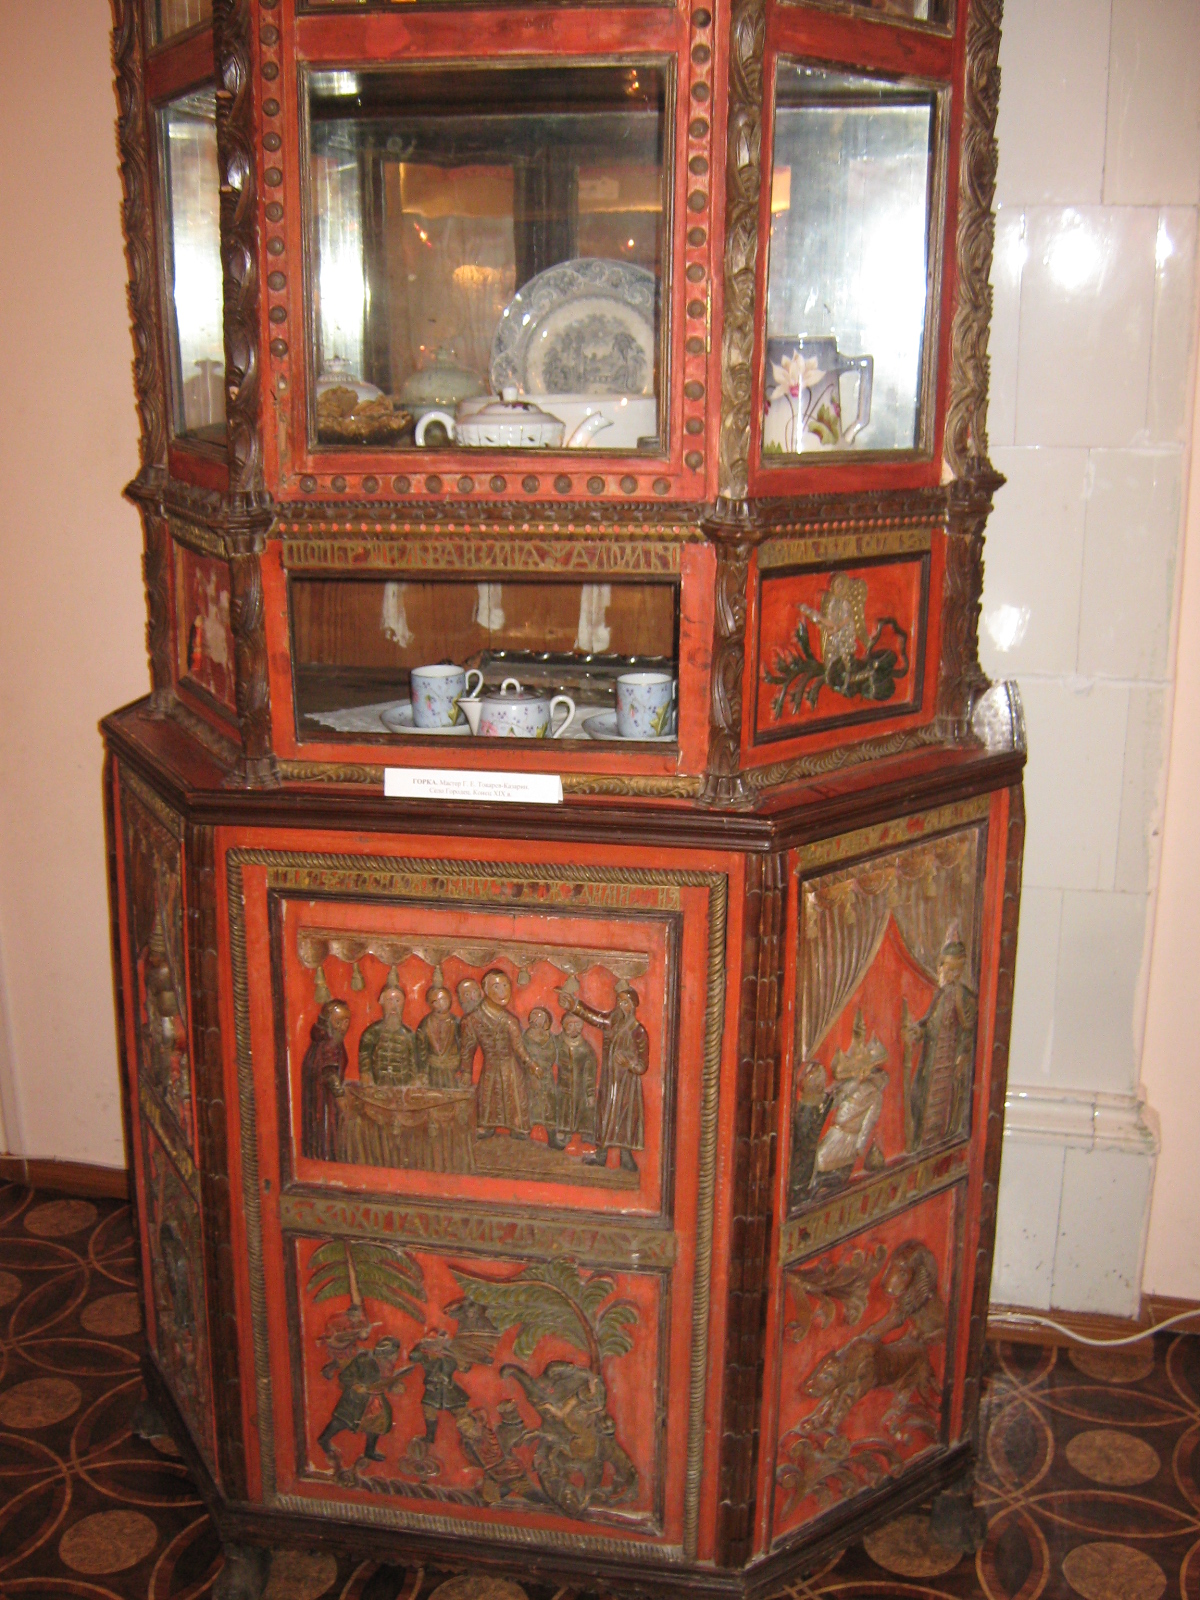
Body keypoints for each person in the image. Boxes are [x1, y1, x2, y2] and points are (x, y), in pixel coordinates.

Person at [903, 931, 978, 1149]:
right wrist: (918, 1031)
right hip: (932, 1060)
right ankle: (922, 1143)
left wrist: (963, 1054)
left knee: (943, 1105)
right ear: (941, 967)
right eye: (948, 969)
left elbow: (968, 1029)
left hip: (948, 1060)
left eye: (956, 970)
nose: (952, 975)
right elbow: (930, 1021)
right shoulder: (941, 994)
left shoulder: (963, 996)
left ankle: (938, 1142)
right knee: (920, 1098)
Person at [563, 985, 648, 1172]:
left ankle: (626, 1157)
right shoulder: (613, 1021)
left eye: (625, 1002)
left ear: (633, 1005)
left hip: (627, 1084)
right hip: (610, 1080)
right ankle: (601, 1154)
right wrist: (575, 1006)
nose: (620, 1005)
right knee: (605, 1114)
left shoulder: (638, 1031)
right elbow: (596, 1019)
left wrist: (629, 1063)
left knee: (625, 1117)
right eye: (619, 1001)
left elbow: (643, 1065)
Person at [813, 1010, 888, 1185]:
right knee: (819, 1160)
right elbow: (835, 1100)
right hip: (837, 1131)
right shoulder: (851, 1085)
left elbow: (869, 1121)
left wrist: (860, 1145)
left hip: (850, 1135)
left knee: (828, 1164)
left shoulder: (874, 1094)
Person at [459, 970, 534, 1138]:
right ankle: (487, 1125)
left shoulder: (510, 1020)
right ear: (485, 990)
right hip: (491, 1065)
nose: (503, 992)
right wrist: (466, 1071)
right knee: (488, 1093)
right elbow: (467, 1049)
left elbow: (518, 1047)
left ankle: (517, 1126)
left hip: (510, 1066)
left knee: (514, 1094)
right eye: (496, 987)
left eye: (506, 986)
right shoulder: (472, 1020)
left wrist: (530, 1064)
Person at [316, 1334, 405, 1469]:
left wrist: (394, 1386)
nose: (396, 1356)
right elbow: (345, 1376)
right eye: (395, 1353)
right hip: (356, 1399)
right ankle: (324, 1439)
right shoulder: (364, 1361)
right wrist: (357, 1386)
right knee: (342, 1420)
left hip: (375, 1397)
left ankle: (370, 1451)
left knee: (378, 1422)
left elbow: (385, 1381)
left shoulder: (387, 1365)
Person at [300, 999, 351, 1160]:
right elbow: (329, 1072)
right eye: (338, 1022)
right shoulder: (329, 1043)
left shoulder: (326, 1041)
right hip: (323, 1098)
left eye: (346, 1021)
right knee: (327, 1129)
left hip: (321, 1094)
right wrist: (339, 1095)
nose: (343, 1026)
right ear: (328, 1022)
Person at [552, 1011, 598, 1150]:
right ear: (563, 1025)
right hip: (562, 1085)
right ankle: (563, 1131)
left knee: (583, 1108)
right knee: (563, 1108)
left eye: (577, 1024)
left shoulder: (586, 1049)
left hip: (580, 1087)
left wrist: (590, 1093)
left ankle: (585, 1132)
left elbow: (590, 1074)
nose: (574, 1028)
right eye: (570, 1025)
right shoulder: (557, 1043)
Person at [358, 984, 420, 1087]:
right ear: (381, 1002)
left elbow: (414, 1067)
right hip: (378, 1086)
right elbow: (365, 1064)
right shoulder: (371, 1033)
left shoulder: (409, 1036)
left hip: (402, 1087)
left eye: (397, 1001)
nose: (393, 1006)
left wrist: (413, 1085)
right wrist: (367, 1079)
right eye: (389, 1001)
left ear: (403, 1004)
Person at [522, 1007, 559, 1140]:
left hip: (546, 1077)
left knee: (549, 1106)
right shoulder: (526, 1037)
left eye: (539, 1016)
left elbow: (554, 1055)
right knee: (530, 1104)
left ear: (546, 1021)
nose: (535, 1019)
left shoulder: (550, 1037)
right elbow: (522, 1056)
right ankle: (525, 1133)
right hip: (530, 1077)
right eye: (533, 1015)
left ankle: (552, 1136)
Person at [416, 986, 460, 1088]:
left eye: (443, 999)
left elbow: (462, 1045)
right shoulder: (426, 1023)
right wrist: (422, 1070)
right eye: (435, 1002)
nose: (441, 1004)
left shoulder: (456, 1022)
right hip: (433, 1068)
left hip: (451, 1067)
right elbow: (421, 1047)